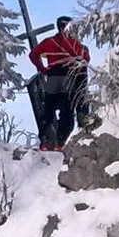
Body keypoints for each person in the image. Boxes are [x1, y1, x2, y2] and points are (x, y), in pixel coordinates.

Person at [29, 15, 90, 150]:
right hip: (69, 78)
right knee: (66, 112)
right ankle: (60, 143)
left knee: (48, 110)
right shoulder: (75, 44)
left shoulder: (49, 41)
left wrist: (42, 69)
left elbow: (33, 54)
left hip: (52, 77)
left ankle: (44, 142)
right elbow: (85, 60)